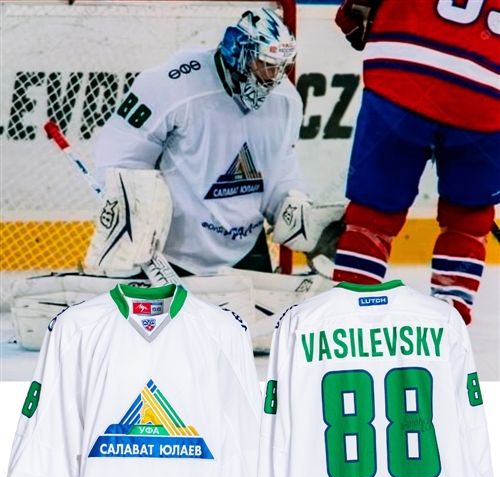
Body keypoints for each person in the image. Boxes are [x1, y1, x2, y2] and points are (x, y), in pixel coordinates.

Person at [91, 7, 341, 280]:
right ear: (239, 52)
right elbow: (121, 150)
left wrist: (293, 211)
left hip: (245, 251)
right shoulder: (172, 85)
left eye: (282, 67)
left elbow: (280, 168)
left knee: (259, 323)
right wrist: (132, 207)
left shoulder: (286, 101)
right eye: (266, 64)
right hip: (171, 253)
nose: (274, 77)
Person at [334, 0, 500, 324]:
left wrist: (353, 24)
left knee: (373, 215)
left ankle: (350, 316)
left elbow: (353, 12)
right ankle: (449, 322)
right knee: (468, 217)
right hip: (489, 95)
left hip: (402, 69)